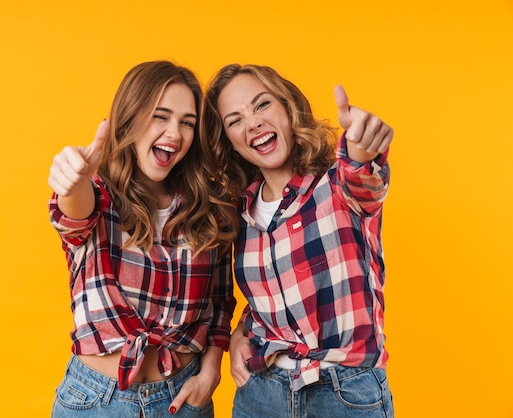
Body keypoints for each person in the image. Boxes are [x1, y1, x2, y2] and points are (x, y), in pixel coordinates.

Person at [202, 64, 395, 417]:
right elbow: (276, 292)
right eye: (235, 120)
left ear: (288, 107)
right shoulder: (240, 214)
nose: (253, 123)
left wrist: (362, 149)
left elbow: (363, 175)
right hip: (261, 394)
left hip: (343, 392)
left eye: (262, 105)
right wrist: (241, 330)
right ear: (228, 141)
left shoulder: (338, 187)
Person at [47, 61, 238, 418]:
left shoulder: (207, 209)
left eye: (187, 122)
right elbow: (73, 215)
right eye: (159, 116)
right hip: (97, 402)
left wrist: (210, 372)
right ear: (130, 118)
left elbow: (219, 303)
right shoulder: (100, 196)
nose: (174, 133)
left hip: (181, 401)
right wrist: (71, 181)